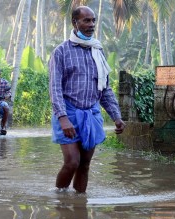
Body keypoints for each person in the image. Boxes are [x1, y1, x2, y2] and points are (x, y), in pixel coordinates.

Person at [49, 6, 125, 193]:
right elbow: (55, 88)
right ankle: (60, 200)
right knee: (72, 162)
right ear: (75, 23)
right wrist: (62, 117)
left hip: (91, 113)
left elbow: (104, 88)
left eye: (93, 21)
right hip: (68, 113)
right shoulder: (61, 52)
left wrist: (116, 116)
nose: (91, 25)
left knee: (84, 164)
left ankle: (79, 207)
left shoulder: (97, 51)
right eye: (86, 20)